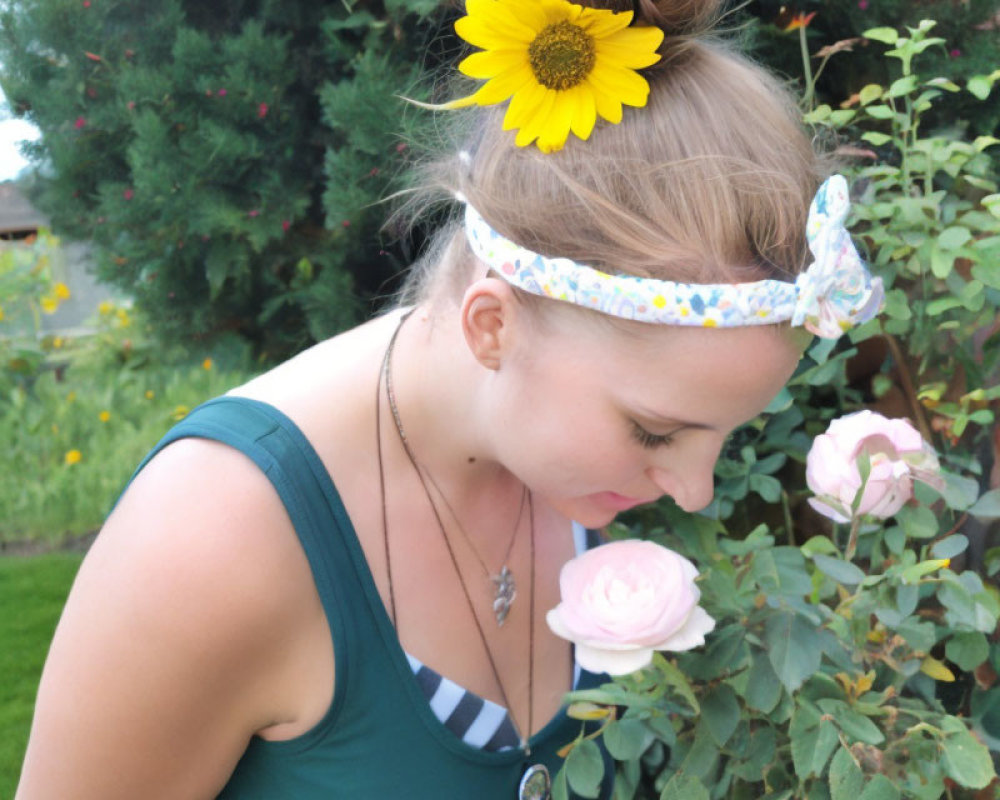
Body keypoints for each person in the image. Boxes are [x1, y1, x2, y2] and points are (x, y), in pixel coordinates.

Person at [15, 0, 882, 797]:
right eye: (655, 432)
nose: (696, 490)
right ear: (492, 327)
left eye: (725, 435)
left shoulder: (566, 459)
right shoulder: (213, 539)